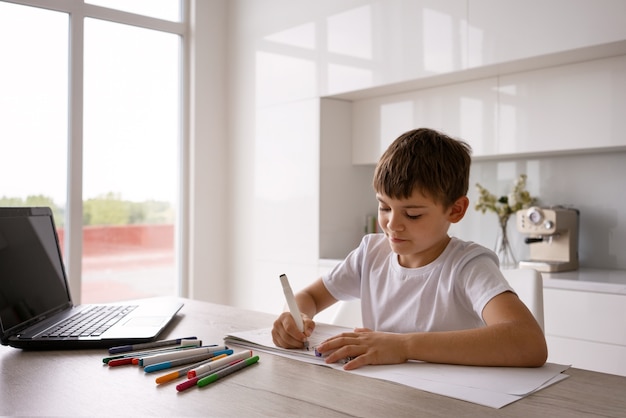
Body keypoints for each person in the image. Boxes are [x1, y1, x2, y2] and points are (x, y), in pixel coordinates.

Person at [271, 128, 547, 371]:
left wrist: (403, 346)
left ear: (455, 210)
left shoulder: (468, 265)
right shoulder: (371, 253)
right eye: (384, 207)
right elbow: (310, 297)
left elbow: (529, 342)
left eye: (412, 214)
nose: (392, 224)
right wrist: (294, 317)